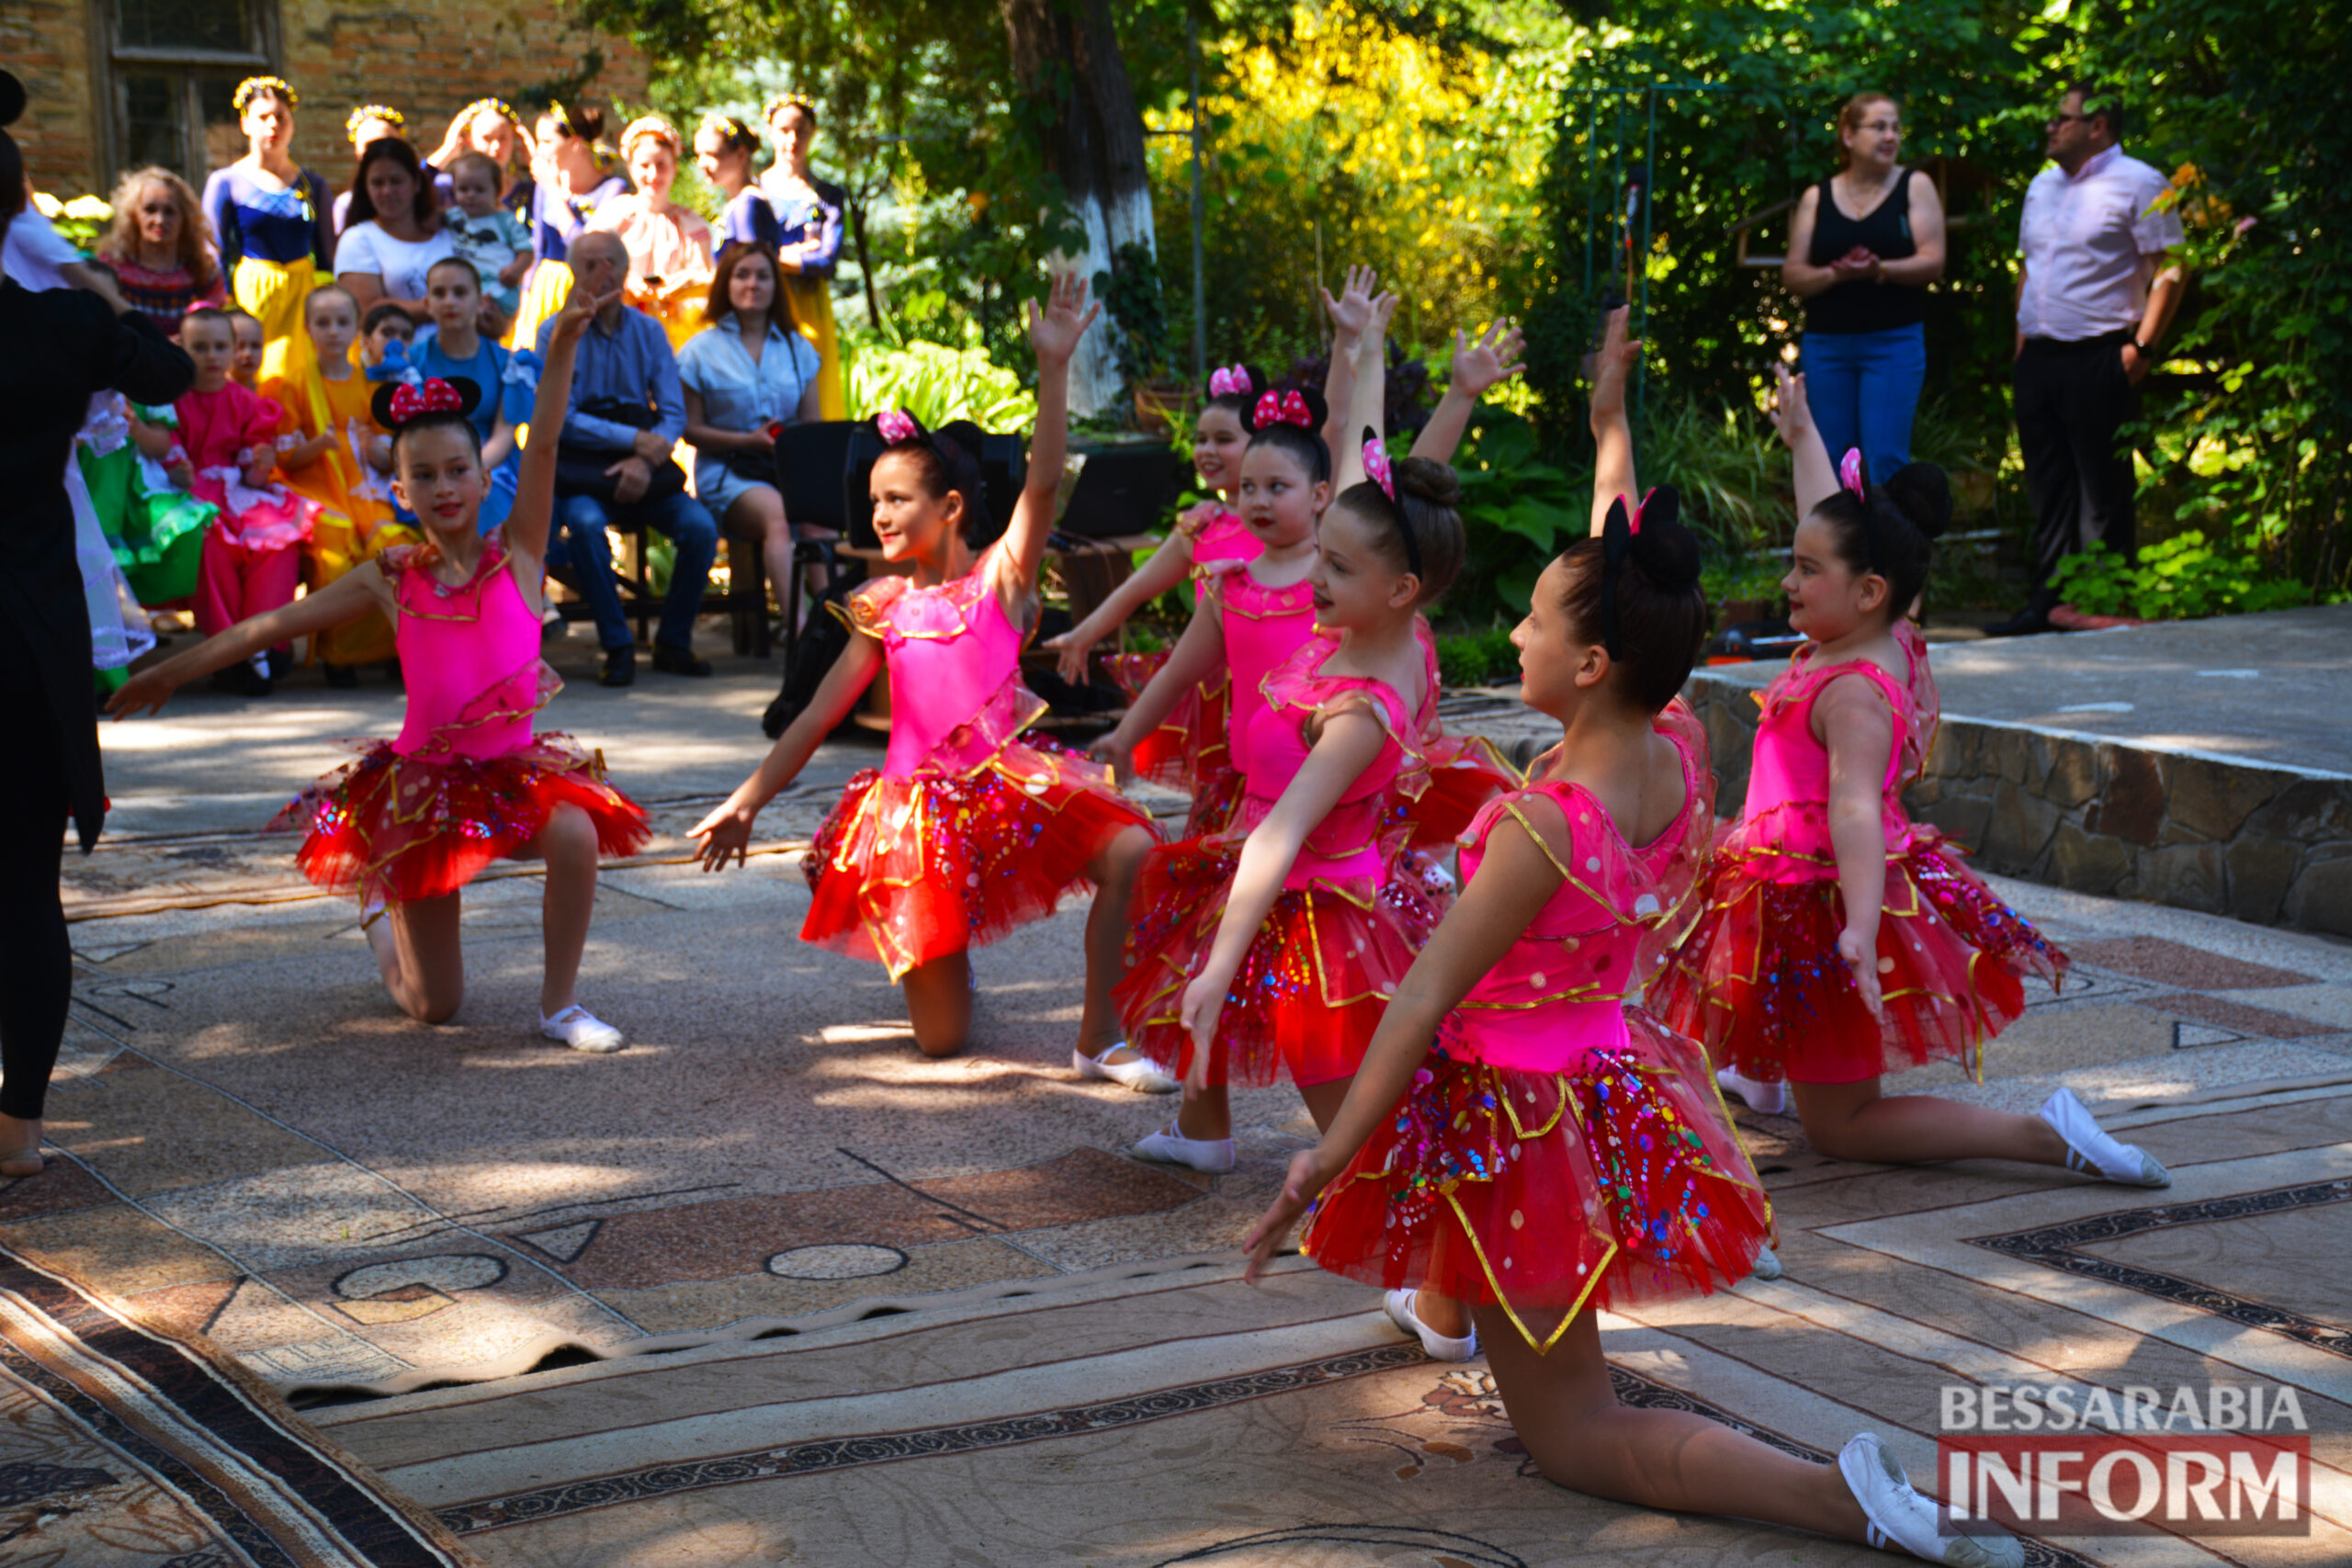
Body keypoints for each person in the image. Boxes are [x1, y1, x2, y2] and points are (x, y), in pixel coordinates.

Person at [1239, 330, 2023, 1568]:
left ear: (1592, 662)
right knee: (1529, 1334)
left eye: (1538, 626)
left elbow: (1424, 998)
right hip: (1606, 1081)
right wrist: (1603, 410)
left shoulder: (1540, 824)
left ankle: (1840, 1495)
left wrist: (1322, 1161)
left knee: (1579, 1432)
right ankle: (1448, 1302)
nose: (1514, 642)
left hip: (1518, 1116)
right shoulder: (1670, 761)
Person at [1650, 359, 2169, 1198]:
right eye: (1796, 561)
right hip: (1797, 879)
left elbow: (1854, 807)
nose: (1789, 580)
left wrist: (1856, 927)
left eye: (1806, 570)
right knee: (1722, 988)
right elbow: (1839, 521)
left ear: (1869, 590)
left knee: (1843, 1127)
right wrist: (1804, 435)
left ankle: (2044, 1135)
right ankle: (1761, 1071)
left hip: (1822, 894)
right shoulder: (1883, 630)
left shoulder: (1852, 686)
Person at [108, 286, 650, 1055]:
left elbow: (549, 443)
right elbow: (272, 624)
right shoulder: (390, 575)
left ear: (481, 475)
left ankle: (560, 1004)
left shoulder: (520, 551)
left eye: (457, 469)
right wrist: (175, 670)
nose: (445, 488)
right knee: (436, 1007)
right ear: (401, 490)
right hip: (426, 788)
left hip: (514, 778)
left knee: (574, 829)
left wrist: (559, 348)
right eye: (423, 476)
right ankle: (378, 915)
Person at [689, 275, 1160, 1067]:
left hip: (1005, 787)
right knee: (942, 1043)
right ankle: (951, 966)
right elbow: (813, 717)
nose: (878, 514)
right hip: (915, 816)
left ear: (949, 508)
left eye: (898, 498)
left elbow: (1043, 485)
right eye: (874, 498)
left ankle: (1099, 1037)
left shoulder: (999, 583)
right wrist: (746, 801)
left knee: (1133, 852)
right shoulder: (880, 605)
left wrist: (1053, 371)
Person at [0, 66, 198, 1178]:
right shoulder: (64, 326)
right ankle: (18, 1127)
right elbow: (171, 367)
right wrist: (96, 298)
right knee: (23, 883)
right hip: (26, 636)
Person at [1986, 83, 2188, 637]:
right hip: (2039, 356)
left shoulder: (2141, 182)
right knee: (2048, 487)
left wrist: (2141, 350)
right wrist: (2022, 341)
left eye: (2062, 119)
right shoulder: (2040, 186)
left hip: (2104, 354)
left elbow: (2172, 265)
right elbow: (2028, 266)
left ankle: (2104, 607)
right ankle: (2047, 606)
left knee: (2103, 489)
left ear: (2098, 126)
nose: (2051, 127)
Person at [540, 230, 718, 687]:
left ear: (624, 271)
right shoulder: (554, 332)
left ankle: (673, 641)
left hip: (647, 470)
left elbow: (674, 413)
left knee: (700, 528)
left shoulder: (649, 330)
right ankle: (617, 645)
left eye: (610, 263)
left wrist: (643, 458)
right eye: (589, 265)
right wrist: (632, 440)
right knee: (582, 524)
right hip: (584, 470)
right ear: (572, 273)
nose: (602, 274)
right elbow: (560, 417)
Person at [142, 306, 318, 694]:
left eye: (220, 346)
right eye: (199, 347)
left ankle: (267, 644)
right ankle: (227, 652)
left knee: (279, 545)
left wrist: (258, 465)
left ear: (233, 348)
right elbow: (168, 451)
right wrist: (178, 469)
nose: (211, 356)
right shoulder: (171, 402)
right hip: (190, 493)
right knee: (209, 544)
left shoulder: (247, 402)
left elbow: (254, 466)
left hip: (239, 490)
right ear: (181, 348)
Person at [1781, 91, 1945, 489]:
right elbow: (1793, 274)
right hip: (1826, 346)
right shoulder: (1816, 197)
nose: (1890, 136)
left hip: (1893, 344)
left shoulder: (1915, 185)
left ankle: (1888, 549)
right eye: (1878, 127)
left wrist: (1879, 269)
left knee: (1884, 459)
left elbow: (1933, 262)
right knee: (1830, 458)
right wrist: (1836, 275)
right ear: (1849, 136)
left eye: (1895, 128)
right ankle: (1837, 550)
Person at [263, 281, 407, 682]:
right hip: (316, 490)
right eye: (322, 322)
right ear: (307, 328)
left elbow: (388, 446)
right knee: (337, 553)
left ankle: (395, 649)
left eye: (342, 322)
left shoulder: (372, 382)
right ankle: (339, 657)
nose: (332, 331)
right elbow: (284, 457)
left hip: (368, 490)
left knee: (395, 547)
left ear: (356, 328)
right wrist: (319, 445)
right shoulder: (290, 385)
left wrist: (378, 449)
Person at [677, 240, 824, 620]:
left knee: (820, 517)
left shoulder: (799, 349)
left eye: (762, 276)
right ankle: (801, 633)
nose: (752, 284)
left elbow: (814, 426)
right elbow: (690, 430)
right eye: (742, 275)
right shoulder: (699, 351)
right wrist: (748, 441)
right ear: (726, 282)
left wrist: (789, 446)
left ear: (776, 286)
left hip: (788, 468)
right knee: (779, 514)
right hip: (729, 472)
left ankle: (838, 624)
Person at [203, 76, 334, 387]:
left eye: (281, 117)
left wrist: (327, 298)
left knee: (302, 377)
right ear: (246, 123)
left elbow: (328, 253)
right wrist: (225, 305)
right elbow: (214, 250)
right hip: (254, 294)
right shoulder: (226, 182)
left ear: (292, 124)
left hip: (304, 295)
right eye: (263, 117)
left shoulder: (312, 185)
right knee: (257, 374)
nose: (273, 125)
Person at [412, 257, 528, 532]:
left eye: (460, 292)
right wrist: (446, 474)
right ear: (427, 304)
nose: (450, 301)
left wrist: (468, 472)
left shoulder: (508, 364)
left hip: (494, 466)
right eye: (439, 293)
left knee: (487, 506)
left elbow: (504, 434)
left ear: (480, 300)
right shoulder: (412, 363)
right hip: (429, 465)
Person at [589, 116, 715, 353]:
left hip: (673, 334)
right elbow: (588, 264)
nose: (653, 175)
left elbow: (708, 279)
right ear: (631, 168)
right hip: (617, 327)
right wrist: (625, 282)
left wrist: (681, 286)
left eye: (662, 165)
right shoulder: (616, 215)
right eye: (645, 166)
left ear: (675, 168)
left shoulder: (689, 224)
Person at [511, 102, 628, 355]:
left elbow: (586, 250)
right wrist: (523, 317)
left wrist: (554, 191)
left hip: (584, 290)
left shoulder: (612, 189)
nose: (539, 151)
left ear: (575, 144)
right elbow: (537, 253)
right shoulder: (544, 187)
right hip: (545, 290)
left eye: (546, 141)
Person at [757, 95, 845, 418]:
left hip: (810, 309)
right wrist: (796, 256)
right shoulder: (755, 191)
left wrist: (772, 255)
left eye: (802, 131)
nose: (792, 140)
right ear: (770, 132)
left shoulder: (828, 196)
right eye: (783, 130)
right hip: (762, 306)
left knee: (812, 397)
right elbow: (743, 254)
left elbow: (826, 261)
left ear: (813, 133)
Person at [334, 137, 458, 324]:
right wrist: (447, 306)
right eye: (377, 183)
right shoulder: (358, 239)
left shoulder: (449, 228)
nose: (387, 191)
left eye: (396, 181)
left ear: (416, 183)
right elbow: (366, 311)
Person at [94, 166, 226, 334]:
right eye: (150, 210)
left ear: (184, 219)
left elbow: (213, 333)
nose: (160, 220)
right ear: (133, 215)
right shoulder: (111, 269)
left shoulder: (205, 272)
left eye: (170, 212)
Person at [443, 151, 532, 330]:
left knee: (491, 330)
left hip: (499, 287)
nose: (470, 195)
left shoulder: (506, 220)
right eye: (463, 189)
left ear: (497, 192)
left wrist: (516, 270)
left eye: (479, 190)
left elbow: (527, 251)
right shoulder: (451, 217)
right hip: (463, 288)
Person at [426, 98, 535, 220]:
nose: (496, 146)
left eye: (503, 138)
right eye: (487, 138)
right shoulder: (450, 189)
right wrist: (447, 150)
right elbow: (415, 187)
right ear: (469, 141)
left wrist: (536, 161)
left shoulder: (531, 193)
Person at [697, 112, 775, 257]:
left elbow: (750, 268)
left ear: (740, 154)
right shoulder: (737, 202)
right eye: (698, 155)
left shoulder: (747, 204)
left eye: (712, 155)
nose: (701, 164)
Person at [330, 104, 410, 236]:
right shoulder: (346, 205)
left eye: (386, 143)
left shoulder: (431, 191)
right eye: (369, 146)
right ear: (357, 152)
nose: (379, 153)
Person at [227, 308, 266, 389]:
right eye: (239, 347)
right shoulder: (211, 395)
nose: (248, 354)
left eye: (256, 346)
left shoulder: (270, 394)